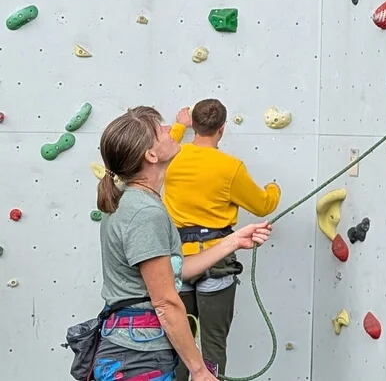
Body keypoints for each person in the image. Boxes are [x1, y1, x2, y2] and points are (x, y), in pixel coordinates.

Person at [94, 106, 272, 381]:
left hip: (134, 348)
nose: (170, 129)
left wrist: (234, 241)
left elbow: (173, 272)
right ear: (151, 156)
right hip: (139, 356)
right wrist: (199, 371)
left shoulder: (133, 200)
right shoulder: (145, 213)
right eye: (161, 130)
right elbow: (165, 302)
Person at [163, 99, 282, 381]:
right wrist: (273, 189)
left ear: (195, 124)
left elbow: (168, 144)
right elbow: (263, 206)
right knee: (213, 345)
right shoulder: (231, 168)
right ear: (222, 129)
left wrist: (180, 125)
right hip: (216, 262)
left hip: (178, 261)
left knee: (179, 344)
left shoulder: (173, 156)